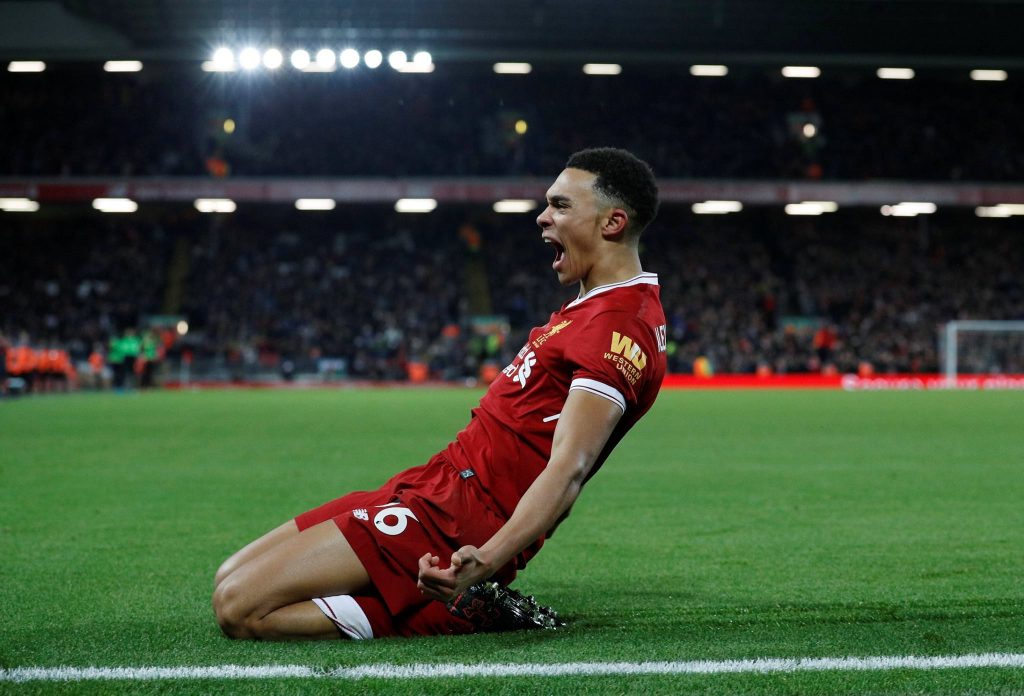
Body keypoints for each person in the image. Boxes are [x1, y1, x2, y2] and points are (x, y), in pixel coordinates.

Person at [212, 148, 668, 640]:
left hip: (459, 520)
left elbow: (570, 467)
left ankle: (467, 606)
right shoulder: (590, 306)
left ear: (613, 222)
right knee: (228, 577)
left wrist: (489, 558)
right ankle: (437, 596)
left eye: (560, 205)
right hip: (436, 483)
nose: (543, 217)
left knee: (241, 608)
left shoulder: (618, 327)